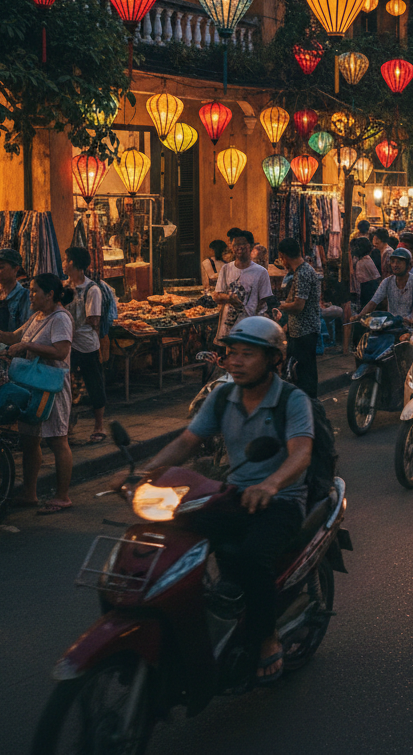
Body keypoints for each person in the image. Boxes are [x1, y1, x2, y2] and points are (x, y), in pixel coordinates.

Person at [113, 318, 313, 685]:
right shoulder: (222, 396)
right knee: (173, 531)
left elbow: (301, 454)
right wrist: (145, 472)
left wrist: (271, 484)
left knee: (254, 557)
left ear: (272, 359)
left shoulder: (292, 399)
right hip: (235, 493)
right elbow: (187, 441)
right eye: (231, 353)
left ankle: (267, 638)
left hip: (282, 499)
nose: (235, 361)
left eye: (246, 354)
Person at [0, 274, 75, 513]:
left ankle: (62, 496)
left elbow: (60, 351)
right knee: (29, 440)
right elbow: (15, 337)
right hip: (31, 387)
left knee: (58, 440)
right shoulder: (38, 316)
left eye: (35, 291)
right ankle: (30, 493)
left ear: (49, 295)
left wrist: (27, 347)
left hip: (51, 387)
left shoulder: (60, 318)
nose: (31, 295)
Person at [64, 246, 107, 443]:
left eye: (66, 260)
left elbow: (94, 319)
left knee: (94, 384)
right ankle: (67, 427)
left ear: (72, 263)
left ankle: (99, 426)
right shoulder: (65, 288)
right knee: (66, 385)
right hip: (67, 344)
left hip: (87, 344)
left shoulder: (92, 289)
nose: (64, 263)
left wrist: (71, 322)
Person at [274, 238, 321, 399]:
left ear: (282, 256)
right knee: (297, 372)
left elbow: (298, 305)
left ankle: (309, 407)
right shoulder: (303, 270)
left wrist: (280, 306)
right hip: (298, 330)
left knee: (304, 374)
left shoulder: (302, 273)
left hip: (305, 332)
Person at [214, 234, 275, 341]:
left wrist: (254, 320)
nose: (240, 247)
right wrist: (229, 298)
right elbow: (216, 296)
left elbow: (263, 301)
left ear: (251, 246)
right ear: (232, 248)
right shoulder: (226, 269)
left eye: (243, 244)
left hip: (251, 327)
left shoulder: (261, 272)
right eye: (236, 244)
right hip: (229, 327)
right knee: (231, 354)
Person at [358, 248, 413, 326]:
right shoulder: (387, 282)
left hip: (412, 326)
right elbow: (373, 301)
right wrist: (360, 315)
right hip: (391, 324)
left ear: (409, 265)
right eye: (393, 262)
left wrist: (411, 318)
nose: (395, 265)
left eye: (399, 262)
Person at [0, 248, 30, 333]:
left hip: (8, 344)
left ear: (15, 269)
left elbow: (25, 331)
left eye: (0, 267)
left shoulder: (24, 296)